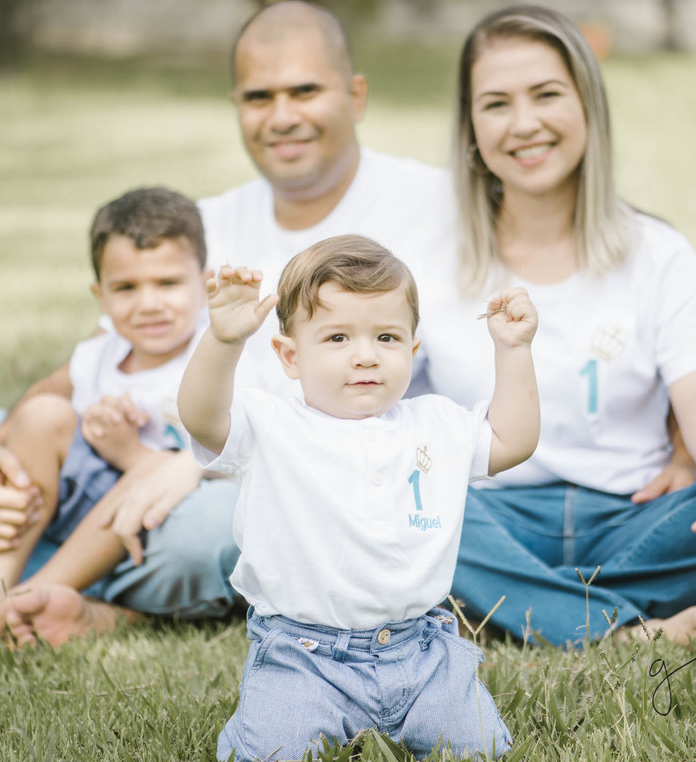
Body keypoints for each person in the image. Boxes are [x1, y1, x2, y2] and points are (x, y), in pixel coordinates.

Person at [0, 0, 458, 645]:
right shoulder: (204, 224)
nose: (282, 116)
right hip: (124, 463)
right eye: (259, 97)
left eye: (305, 91)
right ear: (236, 105)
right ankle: (47, 577)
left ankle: (27, 581)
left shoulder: (430, 205)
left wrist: (193, 461)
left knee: (221, 531)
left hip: (258, 477)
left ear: (355, 94)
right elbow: (86, 366)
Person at [414, 4, 696, 647]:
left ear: (588, 105)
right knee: (404, 505)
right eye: (496, 104)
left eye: (546, 95)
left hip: (633, 518)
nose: (524, 123)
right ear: (470, 126)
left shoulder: (659, 253)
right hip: (485, 516)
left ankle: (516, 607)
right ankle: (622, 628)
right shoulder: (427, 260)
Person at [179, 235, 536, 761]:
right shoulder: (269, 425)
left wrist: (514, 351)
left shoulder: (436, 424)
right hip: (302, 655)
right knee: (273, 753)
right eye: (338, 337)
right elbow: (201, 417)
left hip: (421, 651)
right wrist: (222, 341)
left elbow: (513, 441)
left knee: (478, 748)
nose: (366, 355)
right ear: (290, 356)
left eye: (387, 337)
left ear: (412, 350)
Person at [0, 187, 236, 645]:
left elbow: (214, 462)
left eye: (167, 283)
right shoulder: (95, 356)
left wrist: (129, 452)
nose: (149, 303)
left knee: (190, 497)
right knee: (40, 415)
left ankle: (27, 593)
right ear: (100, 296)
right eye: (126, 288)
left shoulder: (214, 354)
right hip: (75, 503)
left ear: (205, 284)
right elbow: (50, 437)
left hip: (154, 519)